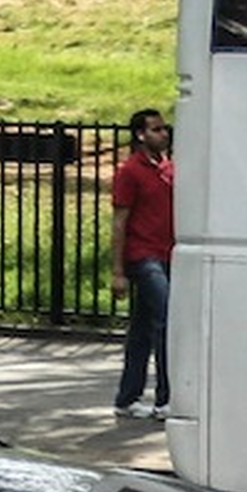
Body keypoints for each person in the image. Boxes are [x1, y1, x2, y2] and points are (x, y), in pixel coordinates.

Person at [108, 106, 174, 419]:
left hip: (168, 252)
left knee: (142, 329)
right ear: (140, 135)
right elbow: (119, 221)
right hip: (143, 255)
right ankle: (165, 399)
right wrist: (118, 271)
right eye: (157, 129)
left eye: (164, 129)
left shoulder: (169, 167)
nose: (164, 133)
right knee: (166, 319)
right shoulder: (130, 172)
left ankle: (127, 397)